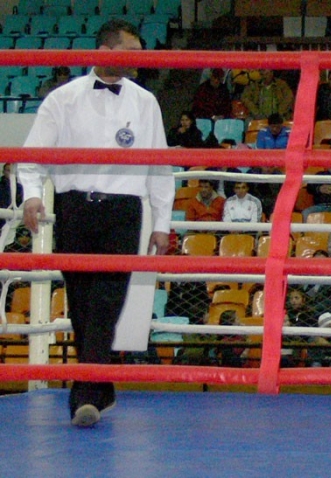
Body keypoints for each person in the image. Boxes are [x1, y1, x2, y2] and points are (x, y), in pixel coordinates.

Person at [18, 19, 175, 428]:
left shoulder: (145, 102)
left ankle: (84, 395)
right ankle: (100, 386)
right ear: (105, 51)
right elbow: (32, 155)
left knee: (107, 302)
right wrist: (32, 194)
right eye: (131, 51)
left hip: (123, 211)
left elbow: (160, 165)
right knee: (82, 305)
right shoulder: (63, 98)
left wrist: (162, 221)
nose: (139, 60)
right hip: (75, 208)